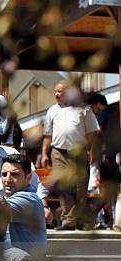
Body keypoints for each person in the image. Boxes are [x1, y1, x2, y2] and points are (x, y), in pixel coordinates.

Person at [41, 81, 100, 230]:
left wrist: (92, 151)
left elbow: (92, 133)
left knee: (80, 186)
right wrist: (44, 154)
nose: (56, 94)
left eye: (60, 91)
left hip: (79, 152)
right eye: (56, 91)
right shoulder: (52, 110)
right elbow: (47, 135)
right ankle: (68, 220)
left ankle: (77, 219)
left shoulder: (84, 108)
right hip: (58, 151)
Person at [86, 92, 121, 229]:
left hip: (105, 156)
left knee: (101, 188)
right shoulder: (114, 114)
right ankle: (110, 219)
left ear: (97, 104)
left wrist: (92, 154)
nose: (92, 110)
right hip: (113, 156)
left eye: (92, 107)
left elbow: (97, 134)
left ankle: (96, 217)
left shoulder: (103, 113)